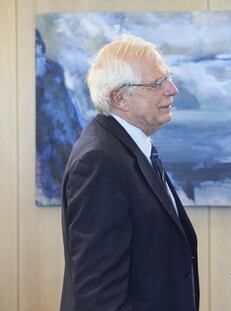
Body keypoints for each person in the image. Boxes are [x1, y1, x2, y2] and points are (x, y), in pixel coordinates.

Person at [60, 35, 199, 311]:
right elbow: (100, 296)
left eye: (168, 78)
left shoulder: (124, 147)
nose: (172, 90)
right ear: (119, 97)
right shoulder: (100, 162)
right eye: (157, 83)